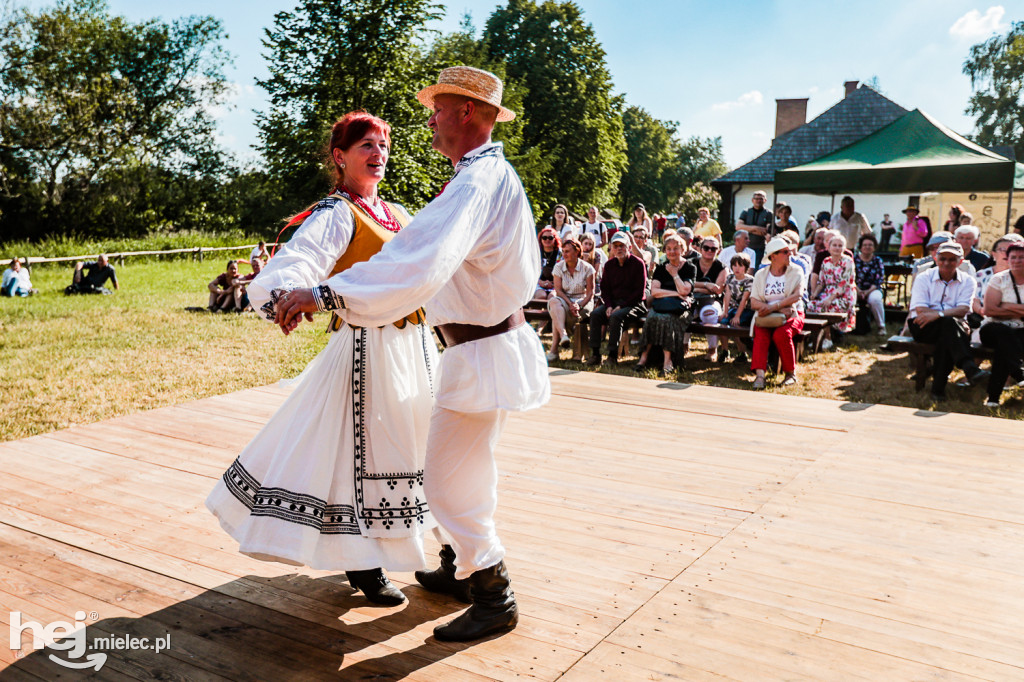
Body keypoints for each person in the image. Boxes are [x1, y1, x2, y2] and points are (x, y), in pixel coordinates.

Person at [271, 66, 549, 642]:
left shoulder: (476, 181)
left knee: (447, 482)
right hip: (478, 348)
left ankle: (494, 593)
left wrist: (325, 293)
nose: (429, 118)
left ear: (466, 112)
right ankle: (460, 569)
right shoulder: (483, 176)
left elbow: (418, 262)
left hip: (480, 350)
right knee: (464, 472)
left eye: (437, 108)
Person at [205, 111, 438, 608]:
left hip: (413, 348)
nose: (378, 154)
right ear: (340, 156)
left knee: (414, 447)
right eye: (366, 147)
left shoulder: (396, 213)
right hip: (367, 351)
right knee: (359, 455)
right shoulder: (337, 212)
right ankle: (363, 562)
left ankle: (426, 548)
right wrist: (287, 295)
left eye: (383, 146)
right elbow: (299, 258)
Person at [907, 242, 988, 400]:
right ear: (936, 259)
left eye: (952, 259)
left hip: (952, 328)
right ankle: (968, 367)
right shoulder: (924, 278)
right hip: (922, 325)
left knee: (947, 333)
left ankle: (938, 390)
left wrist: (938, 315)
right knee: (950, 325)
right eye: (943, 258)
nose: (946, 263)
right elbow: (921, 311)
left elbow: (964, 309)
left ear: (960, 261)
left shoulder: (968, 280)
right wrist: (947, 314)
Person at [635, 234, 695, 376]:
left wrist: (674, 274)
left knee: (667, 319)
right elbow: (655, 292)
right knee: (652, 317)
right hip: (663, 305)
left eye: (675, 248)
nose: (672, 252)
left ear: (682, 249)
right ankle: (643, 358)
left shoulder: (689, 267)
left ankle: (668, 361)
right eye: (668, 249)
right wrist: (676, 294)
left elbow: (685, 290)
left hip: (681, 309)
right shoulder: (661, 268)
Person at [749, 237, 805, 389]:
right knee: (760, 334)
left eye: (790, 251)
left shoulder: (796, 271)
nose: (790, 254)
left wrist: (773, 307)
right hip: (767, 315)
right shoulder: (761, 274)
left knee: (781, 334)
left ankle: (790, 374)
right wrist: (778, 308)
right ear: (773, 256)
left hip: (792, 314)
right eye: (785, 252)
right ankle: (760, 376)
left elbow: (797, 295)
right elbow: (754, 302)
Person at [588, 232, 647, 366]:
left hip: (634, 304)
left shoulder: (638, 264)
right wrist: (608, 305)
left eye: (622, 245)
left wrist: (620, 307)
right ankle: (596, 354)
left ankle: (612, 356)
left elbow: (639, 292)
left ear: (629, 247)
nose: (619, 248)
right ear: (612, 249)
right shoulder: (609, 265)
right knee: (596, 314)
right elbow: (605, 289)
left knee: (616, 317)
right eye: (616, 246)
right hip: (613, 303)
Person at [979, 243, 1024, 407]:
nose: (1017, 261)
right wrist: (1020, 311)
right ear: (1008, 259)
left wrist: (1005, 306)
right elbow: (990, 310)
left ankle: (993, 398)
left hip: (1019, 331)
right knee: (1003, 333)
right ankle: (1019, 374)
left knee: (1004, 348)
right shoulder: (999, 279)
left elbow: (997, 307)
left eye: (1021, 257)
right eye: (1013, 257)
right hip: (993, 329)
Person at [546, 236, 595, 361]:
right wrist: (569, 303)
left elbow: (590, 293)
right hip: (565, 298)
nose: (564, 254)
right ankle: (564, 335)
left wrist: (579, 305)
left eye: (567, 251)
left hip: (583, 299)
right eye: (563, 251)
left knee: (556, 313)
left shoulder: (588, 268)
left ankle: (554, 350)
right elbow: (558, 290)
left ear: (577, 252)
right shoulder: (559, 267)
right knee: (554, 302)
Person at [808, 234, 857, 336]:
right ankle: (816, 336)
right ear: (829, 247)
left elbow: (844, 284)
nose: (837, 248)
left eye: (840, 245)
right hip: (828, 293)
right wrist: (815, 293)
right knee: (811, 305)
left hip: (844, 293)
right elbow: (821, 282)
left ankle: (828, 337)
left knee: (830, 306)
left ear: (844, 248)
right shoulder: (825, 261)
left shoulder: (848, 261)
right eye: (834, 245)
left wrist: (830, 299)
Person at [689, 237, 727, 361]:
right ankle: (683, 345)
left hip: (712, 300)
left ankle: (712, 349)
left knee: (709, 314)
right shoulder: (690, 263)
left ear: (718, 251)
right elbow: (685, 285)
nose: (709, 250)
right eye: (706, 248)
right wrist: (706, 285)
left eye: (713, 248)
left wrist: (694, 286)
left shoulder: (722, 267)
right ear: (700, 249)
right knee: (684, 312)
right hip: (690, 298)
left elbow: (718, 290)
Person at [719, 252, 754, 364]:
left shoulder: (749, 280)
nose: (737, 268)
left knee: (736, 324)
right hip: (733, 308)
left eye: (740, 265)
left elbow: (745, 299)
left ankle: (741, 352)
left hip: (745, 309)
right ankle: (725, 350)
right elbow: (727, 294)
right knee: (723, 323)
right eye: (734, 265)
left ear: (746, 267)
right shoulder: (730, 278)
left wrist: (737, 316)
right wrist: (725, 311)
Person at [854, 233, 887, 335]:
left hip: (872, 289)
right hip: (855, 288)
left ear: (874, 247)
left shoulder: (878, 261)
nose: (867, 247)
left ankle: (881, 327)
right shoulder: (854, 260)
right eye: (865, 245)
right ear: (860, 247)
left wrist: (867, 292)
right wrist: (858, 291)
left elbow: (878, 280)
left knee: (875, 299)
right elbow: (850, 278)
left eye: (870, 245)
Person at [736, 190, 771, 268]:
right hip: (745, 247)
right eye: (756, 198)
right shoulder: (746, 212)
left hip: (760, 248)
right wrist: (756, 228)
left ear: (765, 200)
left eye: (761, 199)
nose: (758, 201)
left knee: (756, 269)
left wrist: (746, 228)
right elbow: (738, 227)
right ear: (752, 200)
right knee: (744, 267)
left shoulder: (769, 214)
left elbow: (766, 231)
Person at [533, 226, 561, 302]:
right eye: (544, 238)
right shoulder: (536, 253)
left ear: (555, 239)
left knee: (552, 297)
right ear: (540, 239)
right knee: (541, 296)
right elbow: (531, 271)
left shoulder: (560, 254)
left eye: (550, 238)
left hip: (556, 284)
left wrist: (553, 283)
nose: (547, 240)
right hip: (539, 283)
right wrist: (541, 282)